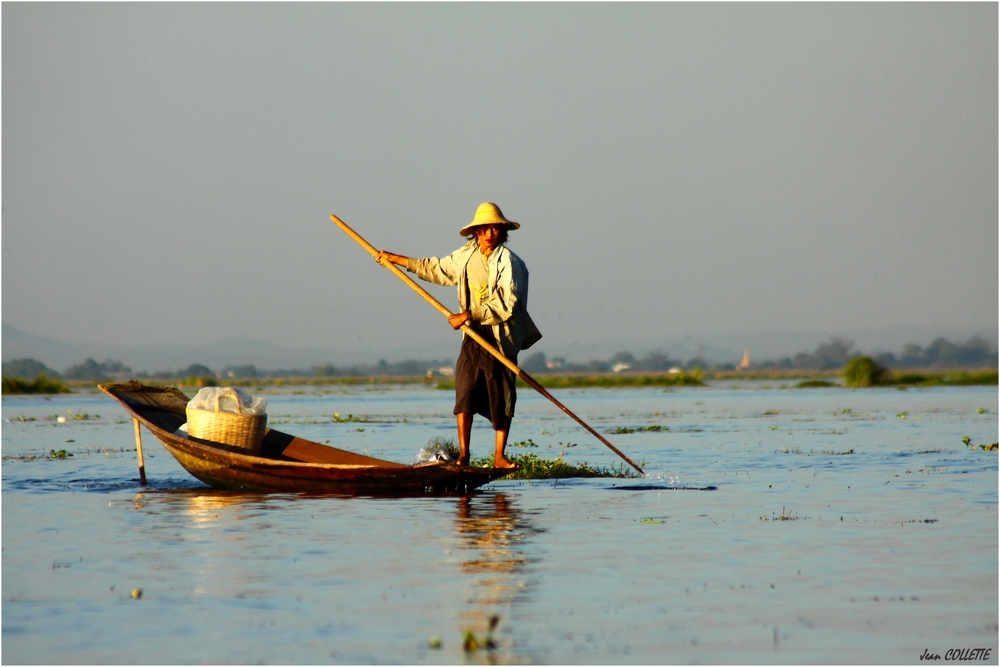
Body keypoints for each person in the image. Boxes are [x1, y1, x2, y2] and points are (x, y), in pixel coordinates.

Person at [376, 202, 541, 468]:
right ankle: (464, 456)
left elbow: (506, 303)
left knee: (502, 396)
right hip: (472, 336)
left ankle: (499, 457)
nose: (490, 234)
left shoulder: (510, 262)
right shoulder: (466, 256)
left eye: (495, 229)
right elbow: (437, 268)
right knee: (465, 392)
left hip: (501, 335)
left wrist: (469, 314)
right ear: (476, 232)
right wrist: (396, 259)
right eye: (485, 228)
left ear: (503, 232)